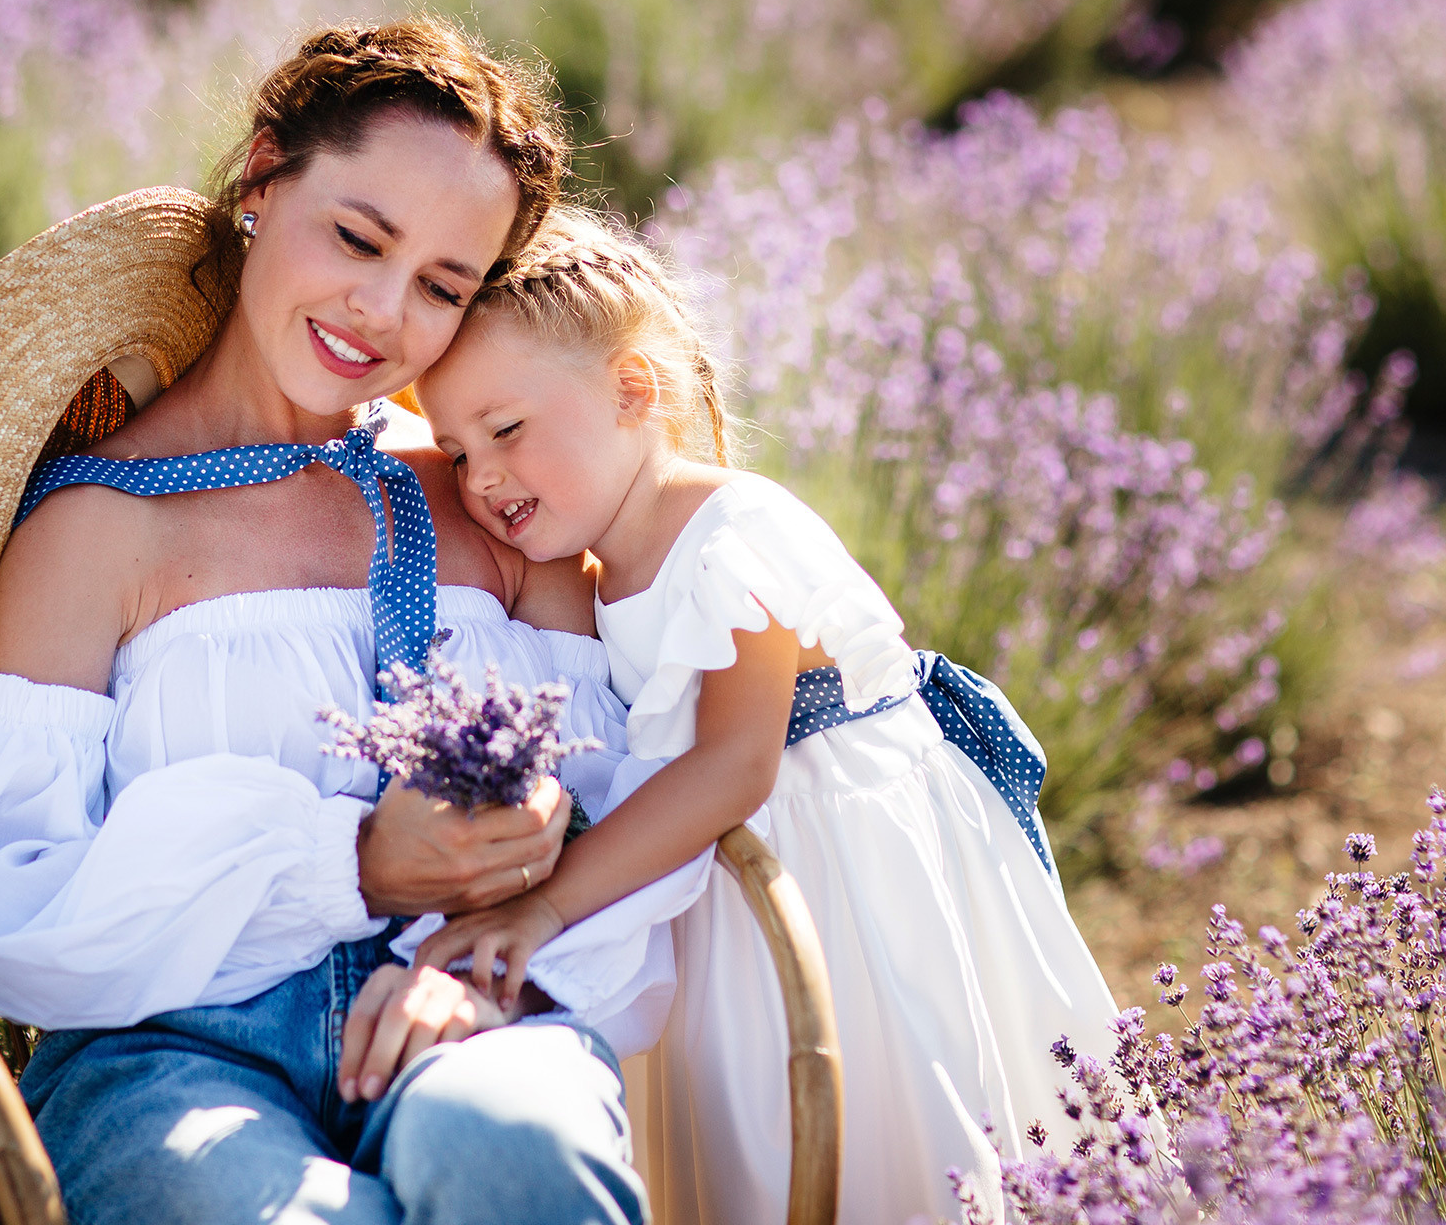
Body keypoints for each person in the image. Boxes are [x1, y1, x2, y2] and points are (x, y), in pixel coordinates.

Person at [0, 19, 672, 1225]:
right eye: (358, 237)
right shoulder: (98, 530)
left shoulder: (496, 507)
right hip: (173, 1053)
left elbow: (620, 811)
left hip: (469, 1006)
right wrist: (348, 864)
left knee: (518, 1151)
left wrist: (492, 963)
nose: (380, 310)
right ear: (263, 177)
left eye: (442, 286)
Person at [410, 209, 1129, 1225]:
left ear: (632, 389)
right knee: (754, 1139)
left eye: (506, 430)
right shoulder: (597, 575)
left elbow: (734, 765)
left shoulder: (730, 536)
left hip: (842, 873)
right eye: (455, 449)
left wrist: (549, 906)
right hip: (731, 890)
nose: (480, 476)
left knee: (886, 1123)